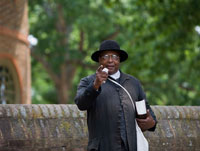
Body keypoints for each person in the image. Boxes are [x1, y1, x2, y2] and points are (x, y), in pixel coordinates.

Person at [74, 40, 157, 151]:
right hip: (102, 147)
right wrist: (95, 85)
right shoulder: (88, 81)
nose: (110, 60)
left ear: (119, 60)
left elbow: (148, 112)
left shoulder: (133, 83)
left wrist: (151, 123)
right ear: (99, 59)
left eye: (115, 57)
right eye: (105, 56)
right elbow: (81, 104)